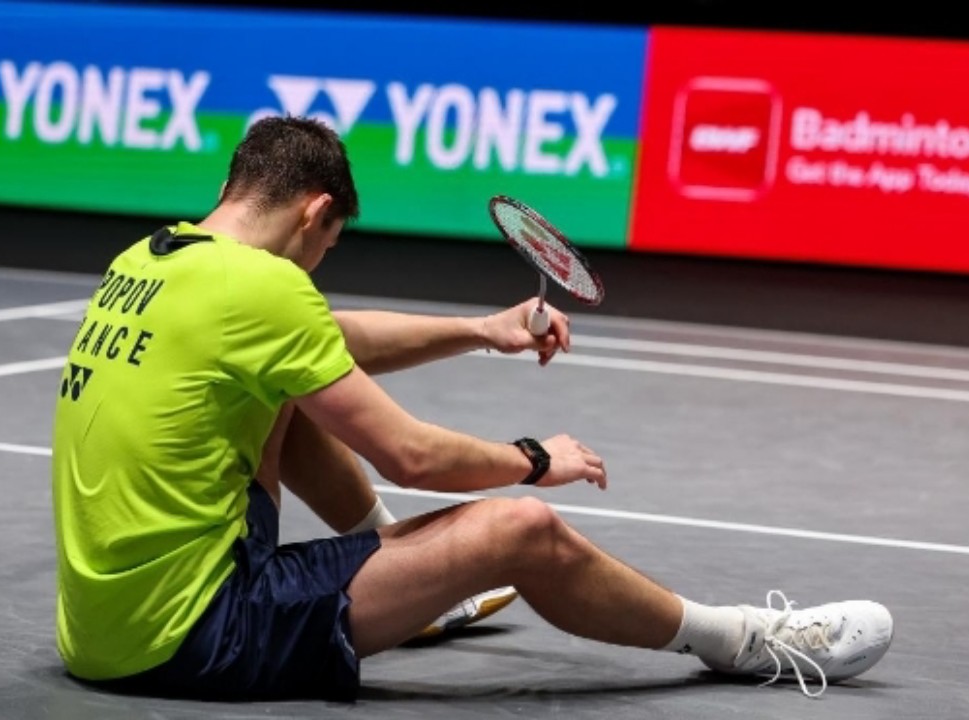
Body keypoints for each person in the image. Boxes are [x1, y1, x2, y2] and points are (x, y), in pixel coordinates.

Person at [51, 115, 895, 703]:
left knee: (285, 397)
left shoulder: (154, 260)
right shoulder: (268, 287)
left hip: (97, 635)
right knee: (520, 530)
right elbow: (409, 455)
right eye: (327, 245)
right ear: (316, 212)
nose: (316, 266)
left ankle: (422, 593)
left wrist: (480, 331)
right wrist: (535, 456)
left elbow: (324, 339)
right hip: (200, 637)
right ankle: (744, 639)